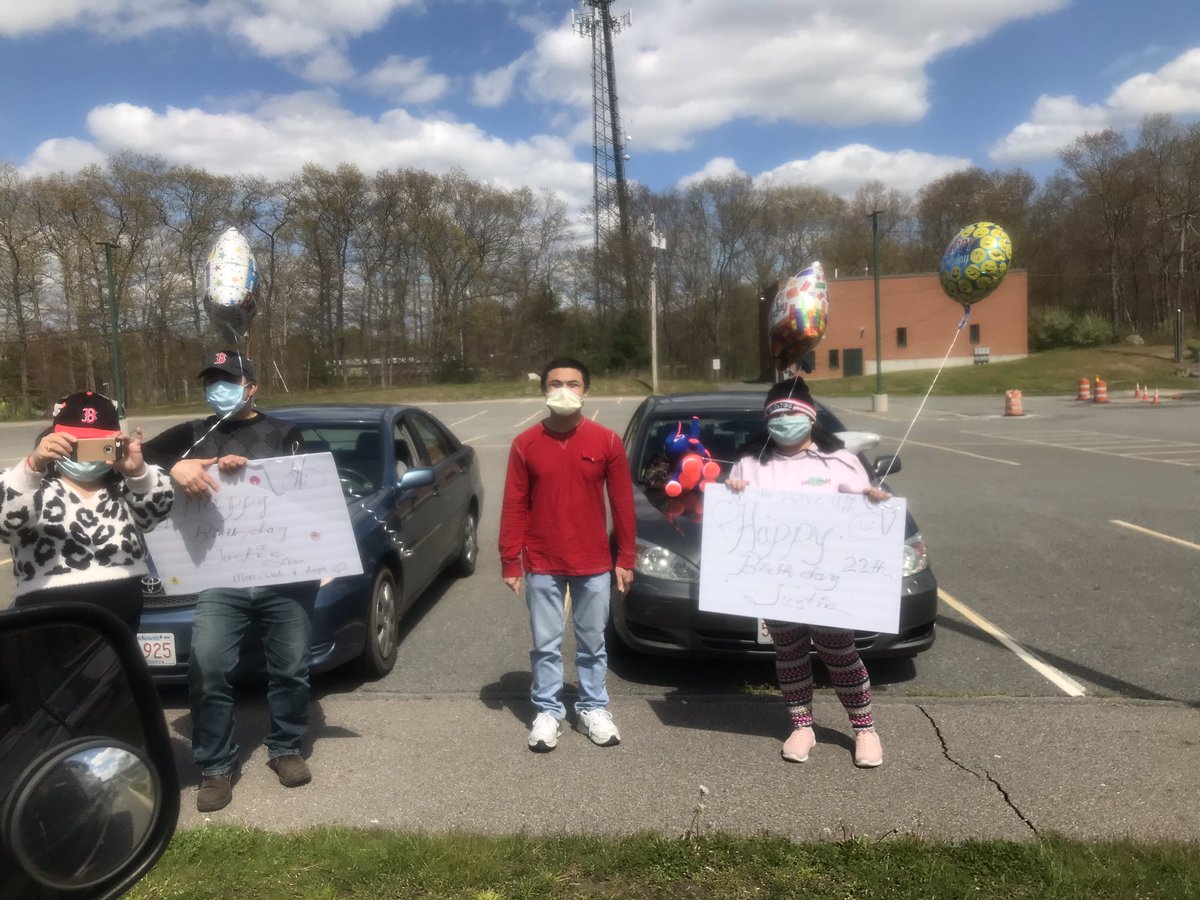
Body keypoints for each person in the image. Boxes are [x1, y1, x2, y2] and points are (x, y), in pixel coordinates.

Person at [142, 350, 319, 812]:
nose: (217, 388)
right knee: (208, 668)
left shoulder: (285, 433)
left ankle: (286, 748)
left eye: (228, 379)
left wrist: (258, 480)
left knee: (291, 667)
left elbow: (310, 494)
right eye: (210, 381)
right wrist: (175, 466)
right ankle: (215, 766)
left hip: (285, 575)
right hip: (221, 579)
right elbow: (138, 461)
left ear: (251, 386)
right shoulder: (192, 434)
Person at [726, 377, 890, 768]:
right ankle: (802, 726)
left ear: (810, 417)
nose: (784, 420)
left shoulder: (841, 461)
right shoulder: (750, 463)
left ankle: (864, 730)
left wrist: (873, 500)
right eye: (775, 414)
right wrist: (730, 493)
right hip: (776, 579)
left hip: (830, 582)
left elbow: (863, 523)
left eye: (792, 412)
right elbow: (733, 522)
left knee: (840, 651)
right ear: (766, 420)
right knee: (790, 651)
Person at [499, 357, 636, 752]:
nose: (564, 390)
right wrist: (511, 558)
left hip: (593, 562)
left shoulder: (606, 441)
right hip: (542, 561)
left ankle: (593, 706)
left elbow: (623, 503)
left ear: (585, 391)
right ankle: (548, 710)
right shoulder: (525, 444)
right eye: (555, 383)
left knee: (593, 642)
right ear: (544, 390)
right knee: (546, 643)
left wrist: (625, 556)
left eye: (573, 384)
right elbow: (514, 504)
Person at [0, 391, 173, 630]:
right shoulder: (28, 485)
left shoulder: (125, 488)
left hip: (120, 621)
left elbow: (156, 513)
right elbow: (6, 526)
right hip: (45, 621)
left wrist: (138, 473)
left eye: (98, 445)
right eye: (73, 444)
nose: (84, 454)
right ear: (50, 439)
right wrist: (32, 466)